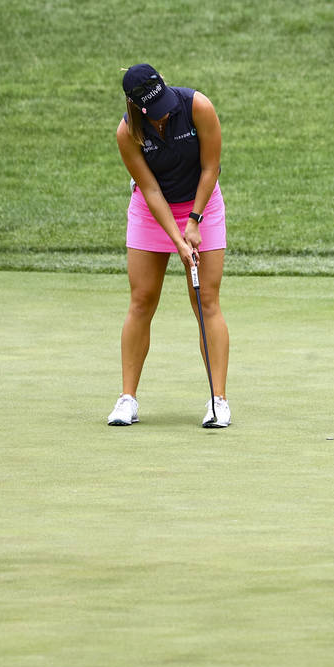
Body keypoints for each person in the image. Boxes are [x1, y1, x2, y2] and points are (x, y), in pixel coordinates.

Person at [108, 63, 232, 429]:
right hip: (151, 212)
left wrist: (193, 222)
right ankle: (127, 399)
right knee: (142, 299)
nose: (164, 114)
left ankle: (218, 401)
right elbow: (149, 189)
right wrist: (176, 239)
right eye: (154, 110)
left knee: (205, 299)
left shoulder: (197, 107)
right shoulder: (127, 134)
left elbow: (211, 167)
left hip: (202, 203)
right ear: (135, 107)